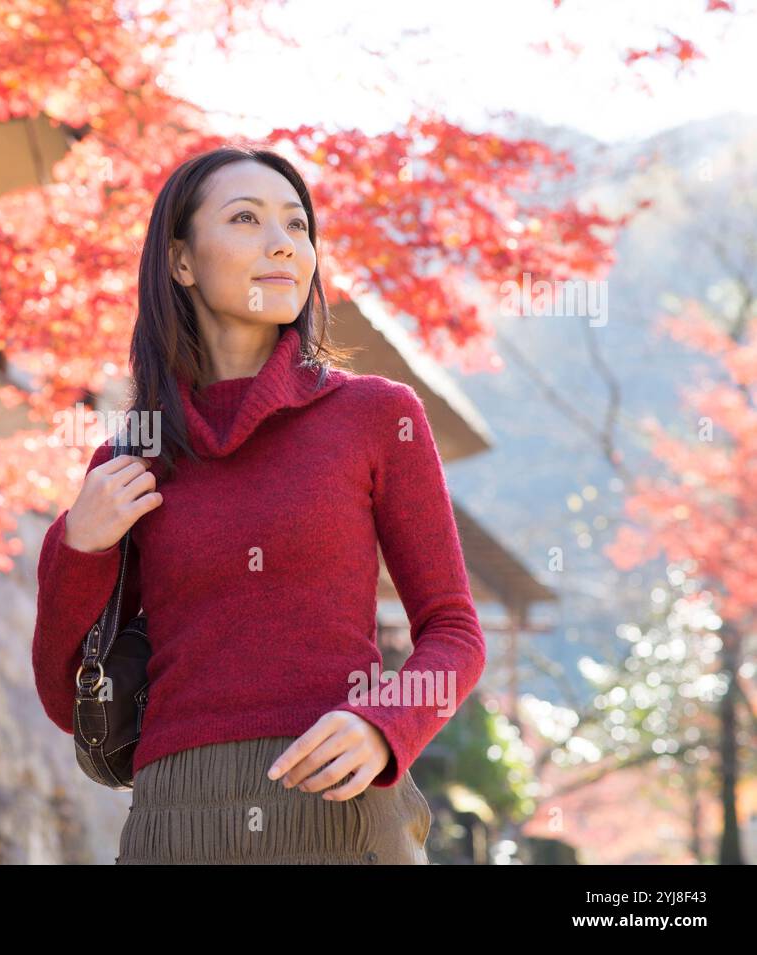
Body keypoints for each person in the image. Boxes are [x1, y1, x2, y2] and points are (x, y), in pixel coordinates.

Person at [31, 144, 486, 864]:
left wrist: (385, 726)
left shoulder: (375, 415)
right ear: (180, 261)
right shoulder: (129, 460)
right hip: (171, 825)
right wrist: (78, 548)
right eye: (246, 218)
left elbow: (455, 629)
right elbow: (68, 701)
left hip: (340, 815)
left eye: (297, 226)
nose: (283, 243)